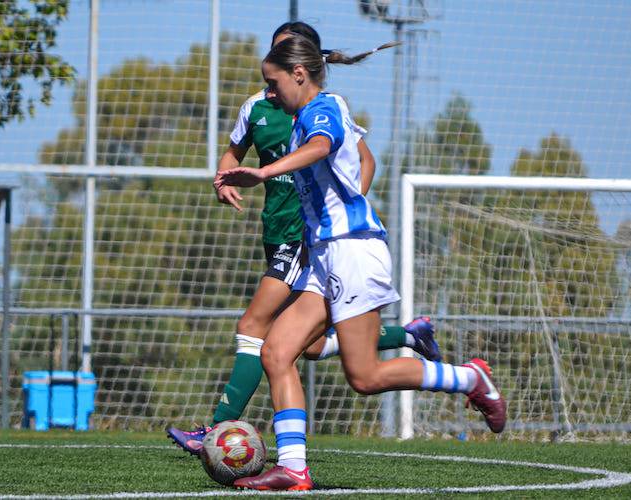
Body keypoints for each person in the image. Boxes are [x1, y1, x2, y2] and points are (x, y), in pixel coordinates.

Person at [214, 35, 507, 491]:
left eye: (272, 84)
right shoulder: (296, 120)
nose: (268, 94)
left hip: (352, 250)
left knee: (365, 377)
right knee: (276, 352)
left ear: (298, 74)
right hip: (325, 255)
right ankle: (294, 468)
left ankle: (470, 378)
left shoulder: (323, 107)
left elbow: (323, 144)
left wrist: (266, 171)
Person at [167, 22, 441, 456]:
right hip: (275, 232)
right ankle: (408, 336)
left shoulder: (322, 108)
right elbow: (233, 153)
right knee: (309, 346)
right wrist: (222, 180)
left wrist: (339, 215)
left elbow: (363, 161)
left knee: (254, 326)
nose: (273, 79)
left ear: (301, 67)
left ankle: (216, 430)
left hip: (305, 236)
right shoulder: (257, 106)